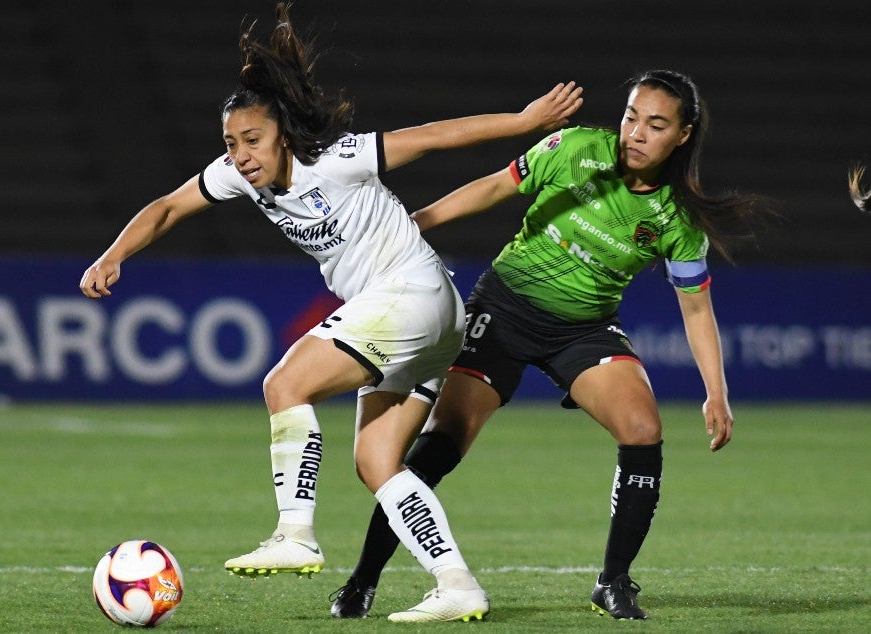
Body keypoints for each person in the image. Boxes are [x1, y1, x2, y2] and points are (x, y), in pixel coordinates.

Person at [78, 2, 583, 623]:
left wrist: (523, 120)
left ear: (283, 135)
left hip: (409, 293)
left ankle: (295, 532)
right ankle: (456, 583)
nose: (240, 155)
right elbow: (165, 207)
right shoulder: (240, 175)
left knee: (286, 383)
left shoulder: (335, 158)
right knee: (377, 462)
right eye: (231, 144)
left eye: (252, 140)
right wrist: (114, 253)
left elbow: (429, 138)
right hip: (432, 321)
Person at [330, 69, 777, 621]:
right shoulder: (576, 149)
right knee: (443, 442)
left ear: (682, 136)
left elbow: (695, 306)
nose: (636, 133)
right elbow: (495, 185)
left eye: (655, 125)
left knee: (643, 430)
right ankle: (362, 580)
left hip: (584, 330)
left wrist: (717, 393)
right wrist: (417, 224)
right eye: (631, 116)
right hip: (504, 308)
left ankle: (613, 582)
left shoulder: (679, 219)